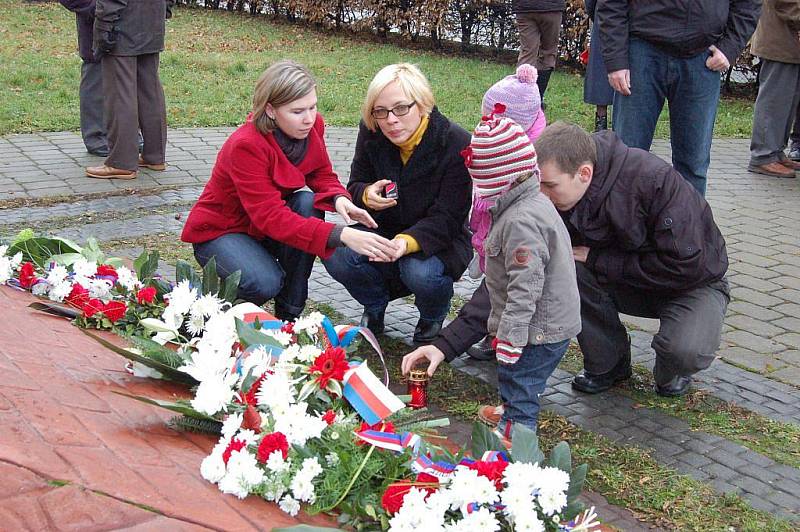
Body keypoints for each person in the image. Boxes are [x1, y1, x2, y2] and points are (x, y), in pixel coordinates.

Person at [404, 122, 730, 409]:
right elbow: (505, 281)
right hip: (620, 278)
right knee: (567, 271)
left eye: (549, 186)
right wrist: (444, 346)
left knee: (684, 349)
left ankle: (672, 366)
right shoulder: (550, 202)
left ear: (583, 173)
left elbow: (690, 265)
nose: (541, 196)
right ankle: (609, 364)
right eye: (536, 183)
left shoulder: (653, 180)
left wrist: (599, 258)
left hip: (688, 285)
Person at [405, 114, 580, 440]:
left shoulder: (520, 221)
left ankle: (516, 438)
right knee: (517, 374)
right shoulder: (529, 201)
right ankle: (510, 408)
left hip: (537, 329)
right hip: (540, 323)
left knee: (521, 378)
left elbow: (525, 287)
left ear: (502, 180)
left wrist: (511, 337)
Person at [181, 61, 396, 321]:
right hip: (223, 230)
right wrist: (342, 235)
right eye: (297, 111)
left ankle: (289, 314)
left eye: (313, 107)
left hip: (263, 228)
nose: (309, 118)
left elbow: (320, 173)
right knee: (265, 282)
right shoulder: (246, 146)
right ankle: (213, 314)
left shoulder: (312, 126)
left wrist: (339, 198)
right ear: (270, 110)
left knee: (308, 202)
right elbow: (271, 217)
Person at [323, 63, 472, 344]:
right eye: (380, 111)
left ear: (423, 105)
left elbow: (448, 218)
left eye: (401, 108)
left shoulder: (456, 142)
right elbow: (355, 183)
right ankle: (375, 304)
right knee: (335, 251)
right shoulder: (372, 131)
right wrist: (367, 195)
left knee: (418, 270)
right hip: (385, 228)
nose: (391, 120)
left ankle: (432, 314)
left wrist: (405, 243)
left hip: (439, 240)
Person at [597, 0, 760, 196]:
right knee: (627, 159)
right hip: (641, 51)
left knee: (694, 164)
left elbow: (750, 3)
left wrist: (731, 45)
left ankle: (689, 225)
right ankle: (623, 225)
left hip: (702, 58)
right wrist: (616, 59)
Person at [468, 63, 547, 361]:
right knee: (496, 285)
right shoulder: (498, 143)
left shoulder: (529, 158)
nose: (486, 121)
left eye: (493, 116)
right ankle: (495, 333)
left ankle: (511, 339)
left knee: (513, 286)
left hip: (515, 239)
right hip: (495, 236)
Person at [86, 0, 171, 180]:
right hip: (152, 18)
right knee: (150, 90)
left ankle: (121, 162)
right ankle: (155, 156)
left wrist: (103, 23)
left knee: (119, 93)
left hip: (123, 23)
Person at [747, 0, 800, 179]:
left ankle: (775, 153)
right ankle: (763, 156)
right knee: (774, 101)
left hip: (790, 43)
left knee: (787, 102)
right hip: (781, 39)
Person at [58, 0, 109, 156]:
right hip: (95, 25)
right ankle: (97, 136)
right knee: (95, 79)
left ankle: (127, 133)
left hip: (128, 27)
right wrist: (96, 9)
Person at [511, 0, 565, 106]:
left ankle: (521, 98)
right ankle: (537, 98)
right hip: (551, 7)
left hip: (524, 7)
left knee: (527, 53)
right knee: (548, 52)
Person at [582, 0, 614, 132]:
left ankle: (601, 125)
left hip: (605, 17)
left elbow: (590, 4)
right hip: (631, 21)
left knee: (601, 72)